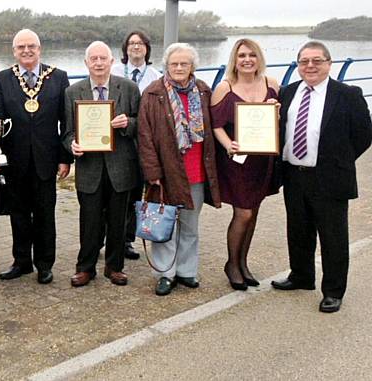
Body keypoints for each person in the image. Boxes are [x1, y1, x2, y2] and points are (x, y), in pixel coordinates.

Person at [271, 41, 372, 313]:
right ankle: (301, 276)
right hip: (294, 174)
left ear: (329, 63)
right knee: (298, 230)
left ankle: (333, 291)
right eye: (304, 61)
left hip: (330, 177)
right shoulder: (288, 92)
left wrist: (338, 159)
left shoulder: (347, 94)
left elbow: (364, 134)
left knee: (333, 237)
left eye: (317, 60)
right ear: (298, 65)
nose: (310, 66)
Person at [0, 28, 72, 284]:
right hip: (15, 158)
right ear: (14, 51)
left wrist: (65, 158)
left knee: (45, 214)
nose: (26, 50)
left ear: (39, 48)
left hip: (47, 158)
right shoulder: (2, 79)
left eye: (31, 46)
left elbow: (66, 122)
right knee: (19, 214)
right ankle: (21, 261)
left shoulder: (58, 77)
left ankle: (44, 264)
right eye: (20, 47)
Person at [138, 43, 221, 296]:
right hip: (167, 171)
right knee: (165, 225)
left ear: (192, 66)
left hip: (197, 171)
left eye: (184, 63)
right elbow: (145, 136)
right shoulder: (153, 93)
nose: (179, 68)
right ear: (167, 65)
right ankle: (165, 274)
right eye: (174, 63)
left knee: (190, 226)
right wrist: (152, 173)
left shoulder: (204, 91)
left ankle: (186, 271)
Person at [63, 41, 140, 287]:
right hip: (89, 167)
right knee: (89, 221)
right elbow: (66, 132)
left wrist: (127, 123)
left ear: (112, 62)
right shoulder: (73, 92)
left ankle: (114, 267)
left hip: (121, 166)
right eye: (93, 59)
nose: (98, 63)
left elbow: (141, 125)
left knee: (119, 220)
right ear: (86, 63)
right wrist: (72, 145)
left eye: (102, 58)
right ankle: (85, 268)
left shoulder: (129, 88)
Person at [211, 39, 280, 290]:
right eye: (242, 55)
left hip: (263, 160)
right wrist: (228, 144)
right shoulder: (224, 87)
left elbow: (277, 121)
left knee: (254, 212)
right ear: (235, 59)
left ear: (259, 58)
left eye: (252, 55)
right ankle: (231, 264)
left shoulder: (272, 84)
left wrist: (276, 109)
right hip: (236, 161)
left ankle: (243, 262)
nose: (247, 59)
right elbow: (215, 123)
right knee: (244, 213)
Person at [111, 30, 162, 261]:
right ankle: (110, 237)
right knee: (112, 193)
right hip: (115, 142)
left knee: (135, 193)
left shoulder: (155, 76)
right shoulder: (112, 73)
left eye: (140, 43)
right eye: (131, 43)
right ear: (125, 49)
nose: (135, 47)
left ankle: (127, 240)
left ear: (147, 48)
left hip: (143, 144)